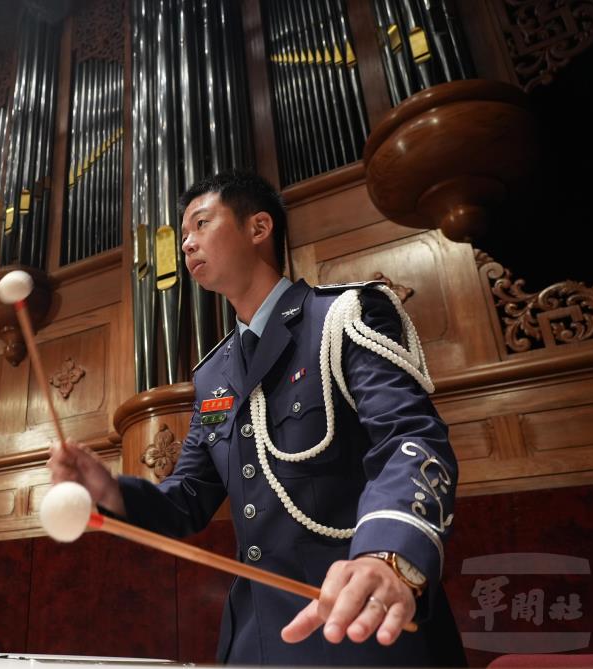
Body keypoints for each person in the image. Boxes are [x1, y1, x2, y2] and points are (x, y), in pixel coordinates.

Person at [48, 170, 466, 666]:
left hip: (360, 623)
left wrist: (389, 555)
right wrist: (110, 489)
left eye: (201, 224)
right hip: (258, 635)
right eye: (183, 234)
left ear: (258, 227)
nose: (186, 244)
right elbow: (187, 499)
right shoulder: (213, 375)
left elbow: (409, 440)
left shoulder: (342, 317)